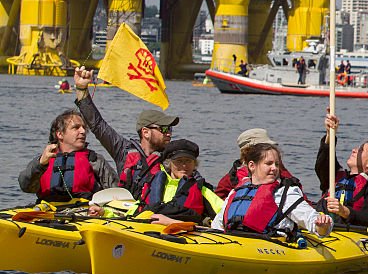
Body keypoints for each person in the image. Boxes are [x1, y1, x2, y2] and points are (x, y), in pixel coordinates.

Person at [71, 65, 179, 196]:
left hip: (156, 211)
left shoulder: (172, 157)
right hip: (127, 210)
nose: (168, 133)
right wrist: (82, 89)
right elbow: (98, 125)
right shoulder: (122, 150)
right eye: (164, 129)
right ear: (145, 132)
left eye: (170, 129)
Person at [211, 142, 332, 239]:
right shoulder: (236, 191)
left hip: (273, 246)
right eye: (269, 163)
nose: (274, 168)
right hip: (236, 241)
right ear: (252, 166)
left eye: (277, 164)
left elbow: (311, 220)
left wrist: (322, 225)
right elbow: (217, 225)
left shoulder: (284, 193)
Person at [91, 139, 224, 226]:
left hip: (182, 236)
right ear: (169, 164)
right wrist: (104, 212)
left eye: (188, 161)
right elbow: (135, 209)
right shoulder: (153, 184)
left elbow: (223, 213)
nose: (184, 166)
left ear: (195, 164)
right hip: (150, 232)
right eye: (179, 161)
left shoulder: (202, 190)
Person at [19, 109, 118, 201]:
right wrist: (40, 164)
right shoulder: (44, 160)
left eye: (84, 127)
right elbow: (26, 187)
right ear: (60, 134)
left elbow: (117, 193)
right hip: (48, 212)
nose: (83, 131)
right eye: (76, 128)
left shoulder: (94, 160)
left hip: (84, 213)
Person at [314, 112, 368, 226]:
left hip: (347, 231)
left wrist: (343, 211)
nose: (354, 150)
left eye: (361, 150)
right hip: (320, 223)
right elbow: (323, 161)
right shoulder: (336, 175)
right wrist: (330, 133)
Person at [214, 128, 303, 199]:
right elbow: (218, 200)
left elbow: (294, 186)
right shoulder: (233, 178)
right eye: (265, 147)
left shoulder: (279, 168)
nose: (274, 167)